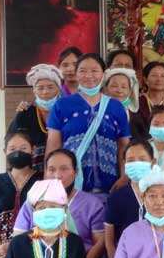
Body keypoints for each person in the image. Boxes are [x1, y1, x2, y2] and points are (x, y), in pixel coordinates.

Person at [15, 149, 106, 258]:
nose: (57, 175)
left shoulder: (92, 204)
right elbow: (19, 240)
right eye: (51, 170)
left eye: (64, 169)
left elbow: (99, 244)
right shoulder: (31, 203)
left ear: (75, 172)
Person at [46, 53, 131, 197]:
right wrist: (49, 181)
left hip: (111, 186)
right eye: (83, 71)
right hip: (70, 186)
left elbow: (123, 146)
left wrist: (124, 176)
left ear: (103, 74)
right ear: (76, 74)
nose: (89, 75)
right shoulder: (62, 105)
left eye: (94, 71)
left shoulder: (116, 107)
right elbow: (53, 146)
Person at [104, 140, 164, 258]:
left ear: (153, 162)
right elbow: (109, 241)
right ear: (124, 164)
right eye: (130, 160)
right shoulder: (116, 197)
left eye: (142, 159)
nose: (136, 164)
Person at [0, 132, 41, 258]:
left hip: (34, 247)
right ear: (5, 152)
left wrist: (16, 246)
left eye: (23, 148)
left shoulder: (42, 181)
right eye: (12, 149)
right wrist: (0, 257)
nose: (18, 153)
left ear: (33, 150)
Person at [9, 64, 63, 171]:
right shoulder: (25, 113)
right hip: (31, 169)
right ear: (34, 90)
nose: (45, 92)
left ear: (58, 89)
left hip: (61, 165)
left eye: (50, 87)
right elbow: (14, 139)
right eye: (40, 88)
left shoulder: (66, 111)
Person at [104, 68, 141, 134]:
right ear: (106, 89)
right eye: (114, 86)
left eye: (124, 87)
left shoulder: (136, 115)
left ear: (130, 92)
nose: (119, 90)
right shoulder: (96, 111)